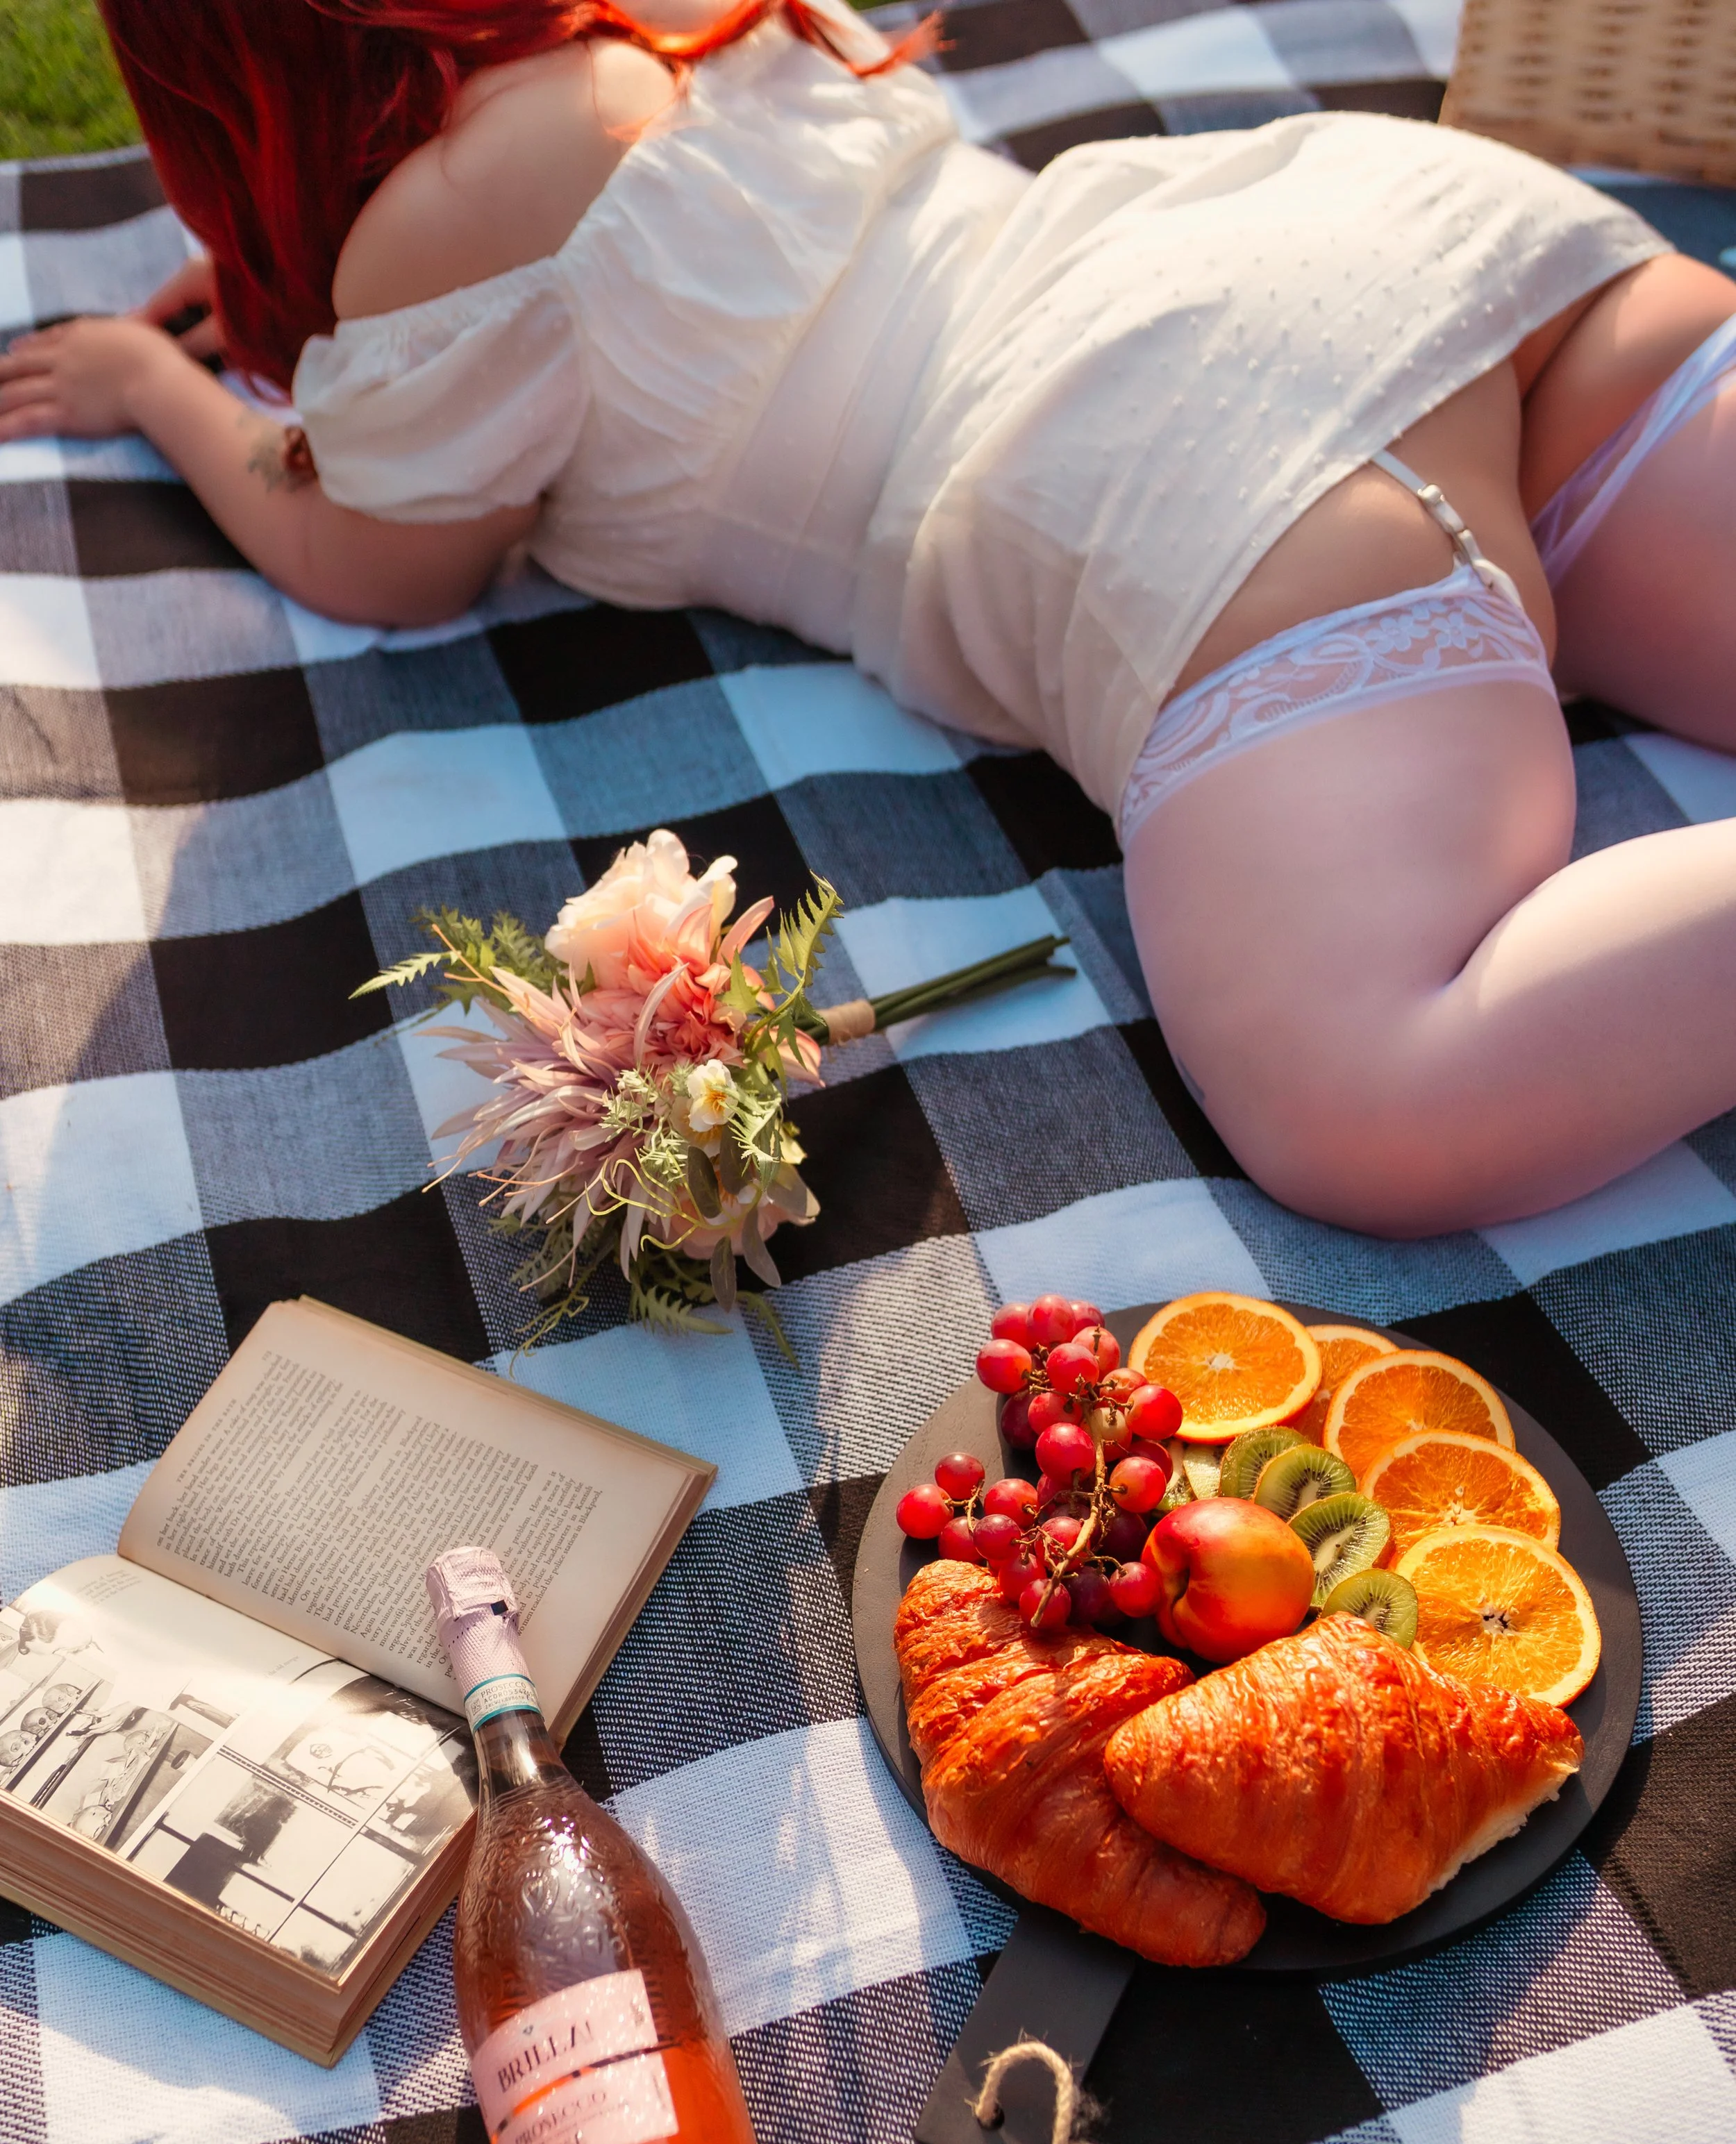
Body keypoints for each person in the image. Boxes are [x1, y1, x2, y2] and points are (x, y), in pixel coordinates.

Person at [2, 0, 1733, 1239]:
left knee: (1373, 1104)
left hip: (1146, 450)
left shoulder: (432, 229)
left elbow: (381, 564)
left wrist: (161, 383)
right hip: (1365, 237)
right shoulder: (666, 25)